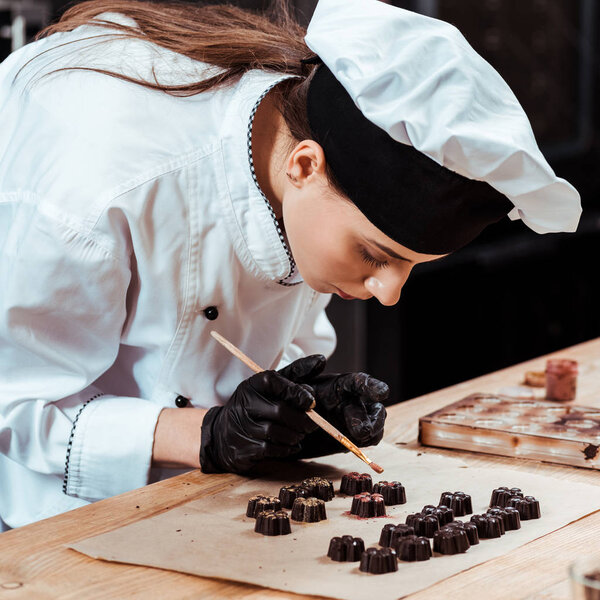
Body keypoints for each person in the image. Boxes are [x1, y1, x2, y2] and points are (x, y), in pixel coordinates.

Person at [0, 0, 581, 530]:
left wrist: (292, 414)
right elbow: (13, 400)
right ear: (305, 166)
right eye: (376, 256)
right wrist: (203, 434)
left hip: (192, 513)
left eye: (413, 266)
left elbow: (253, 356)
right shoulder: (100, 178)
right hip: (40, 524)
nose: (389, 294)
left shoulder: (299, 156)